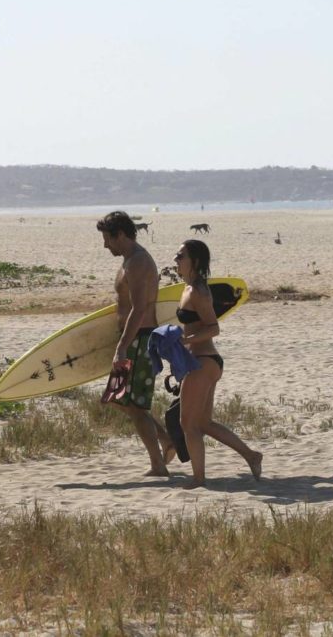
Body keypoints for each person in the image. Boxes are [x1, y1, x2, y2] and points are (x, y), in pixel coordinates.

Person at [173, 239, 262, 489]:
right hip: (205, 362)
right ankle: (251, 455)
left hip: (202, 361)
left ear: (196, 261)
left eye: (181, 256)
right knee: (203, 423)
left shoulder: (198, 291)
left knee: (188, 425)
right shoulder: (188, 288)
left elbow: (214, 328)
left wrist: (185, 339)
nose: (176, 260)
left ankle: (199, 478)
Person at [97, 210, 173, 476]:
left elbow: (139, 308)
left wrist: (122, 346)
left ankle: (158, 466)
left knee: (136, 405)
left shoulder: (139, 262)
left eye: (107, 239)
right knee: (117, 399)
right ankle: (166, 440)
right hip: (129, 339)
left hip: (139, 339)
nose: (105, 245)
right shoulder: (128, 260)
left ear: (120, 235)